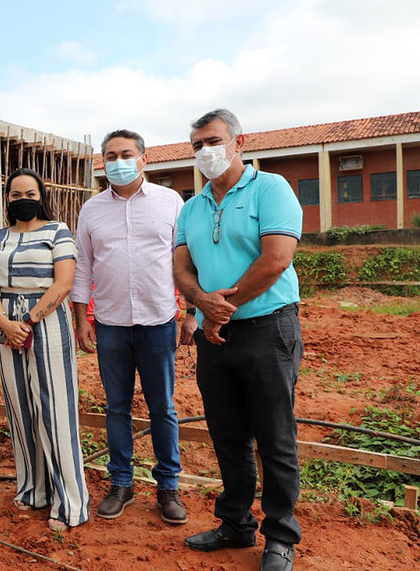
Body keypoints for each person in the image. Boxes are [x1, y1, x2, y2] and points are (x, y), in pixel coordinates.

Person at [173, 109, 302, 571]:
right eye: (197, 145)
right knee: (227, 434)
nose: (205, 151)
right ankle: (235, 523)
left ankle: (280, 536)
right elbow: (181, 268)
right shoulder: (191, 207)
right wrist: (200, 303)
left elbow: (276, 258)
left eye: (213, 141)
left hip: (268, 328)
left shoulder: (271, 189)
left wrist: (220, 309)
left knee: (274, 436)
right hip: (214, 336)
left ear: (238, 142)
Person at [71, 129, 192, 525]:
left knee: (163, 407)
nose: (118, 162)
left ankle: (168, 487)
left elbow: (184, 260)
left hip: (159, 321)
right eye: (111, 156)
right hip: (111, 324)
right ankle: (121, 483)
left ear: (144, 158)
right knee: (116, 407)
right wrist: (81, 319)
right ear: (102, 162)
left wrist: (192, 311)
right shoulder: (91, 210)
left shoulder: (170, 201)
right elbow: (83, 266)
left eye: (126, 154)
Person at [0, 168, 89, 532]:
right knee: (20, 409)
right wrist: (5, 323)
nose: (22, 199)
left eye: (30, 193)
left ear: (41, 196)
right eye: (15, 194)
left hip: (46, 323)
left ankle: (69, 502)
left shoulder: (58, 231)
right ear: (7, 199)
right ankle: (33, 490)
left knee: (55, 410)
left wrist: (27, 321)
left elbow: (64, 283)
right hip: (6, 325)